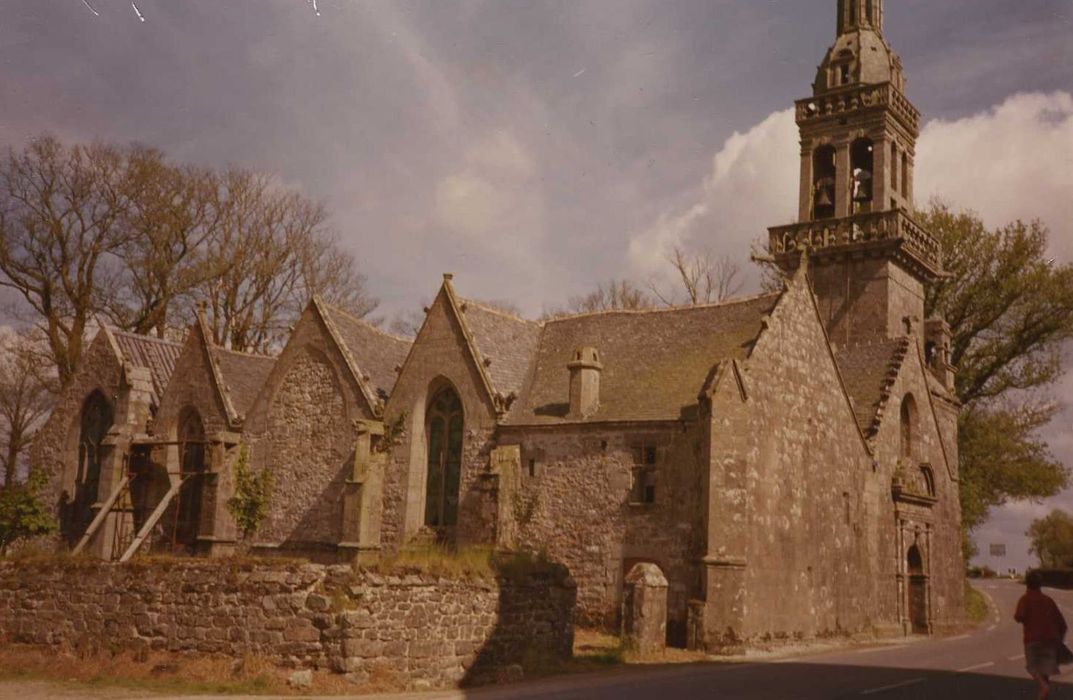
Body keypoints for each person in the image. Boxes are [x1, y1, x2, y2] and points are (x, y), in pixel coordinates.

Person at [1015, 571, 1068, 699]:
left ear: (1027, 584)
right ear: (1040, 585)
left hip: (1033, 641)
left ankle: (1043, 688)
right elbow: (1063, 624)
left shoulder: (1025, 599)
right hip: (1050, 642)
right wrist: (1059, 640)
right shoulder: (1048, 601)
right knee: (1045, 674)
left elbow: (1019, 616)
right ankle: (1044, 692)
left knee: (1032, 668)